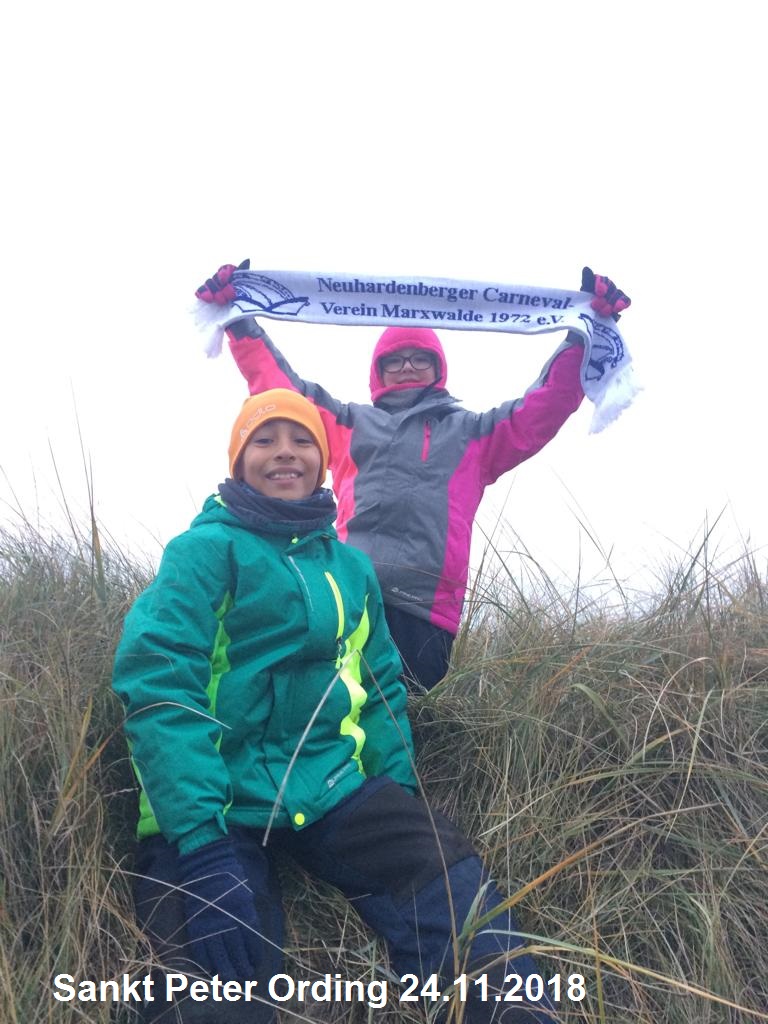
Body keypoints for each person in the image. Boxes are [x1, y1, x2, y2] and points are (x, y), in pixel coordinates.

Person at [113, 388, 559, 1023]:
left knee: (461, 908)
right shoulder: (202, 552)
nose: (284, 453)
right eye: (264, 440)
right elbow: (159, 683)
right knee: (209, 992)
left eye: (302, 441)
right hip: (219, 801)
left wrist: (397, 795)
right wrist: (201, 845)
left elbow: (379, 688)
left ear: (323, 462)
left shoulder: (350, 569)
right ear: (238, 459)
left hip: (330, 787)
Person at [196, 264, 630, 690]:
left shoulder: (474, 434)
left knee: (414, 727)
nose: (406, 367)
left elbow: (542, 408)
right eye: (394, 360)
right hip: (352, 595)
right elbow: (284, 393)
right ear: (377, 371)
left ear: (437, 367)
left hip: (428, 611)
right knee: (336, 712)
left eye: (419, 358)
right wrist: (241, 324)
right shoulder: (350, 424)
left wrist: (582, 334)